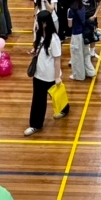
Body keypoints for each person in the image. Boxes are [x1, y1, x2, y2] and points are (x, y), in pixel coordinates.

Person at [26, 8, 65, 136]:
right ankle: (35, 124)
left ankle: (64, 108)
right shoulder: (38, 34)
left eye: (38, 21)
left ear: (45, 23)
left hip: (50, 75)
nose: (36, 23)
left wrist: (57, 77)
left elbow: (57, 59)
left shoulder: (54, 39)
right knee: (38, 100)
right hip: (39, 74)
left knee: (57, 95)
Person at [64, 0, 96, 82]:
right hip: (84, 34)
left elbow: (69, 25)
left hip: (76, 35)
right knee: (86, 53)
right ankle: (90, 72)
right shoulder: (82, 5)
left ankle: (79, 76)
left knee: (77, 55)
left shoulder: (70, 10)